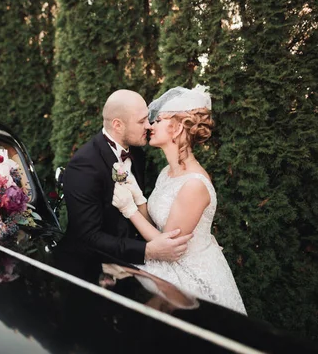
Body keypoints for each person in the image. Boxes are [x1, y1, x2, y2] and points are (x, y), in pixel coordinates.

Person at [111, 85, 247, 314]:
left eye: (158, 120)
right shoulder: (167, 172)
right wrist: (136, 194)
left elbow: (167, 247)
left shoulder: (194, 184)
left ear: (176, 128)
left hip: (191, 279)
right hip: (166, 268)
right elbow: (155, 224)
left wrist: (129, 209)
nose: (150, 126)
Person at [61, 89, 193, 266]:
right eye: (141, 121)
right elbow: (87, 236)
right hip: (93, 267)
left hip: (132, 264)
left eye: (148, 118)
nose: (149, 125)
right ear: (118, 125)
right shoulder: (84, 166)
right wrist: (147, 251)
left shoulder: (137, 152)